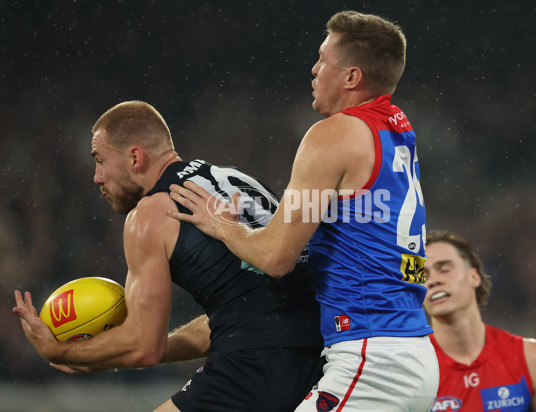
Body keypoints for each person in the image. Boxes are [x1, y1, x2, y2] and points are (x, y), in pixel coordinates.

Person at [168, 10, 438, 411]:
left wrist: (223, 225)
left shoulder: (333, 134)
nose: (314, 69)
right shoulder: (397, 129)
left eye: (324, 59)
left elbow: (276, 258)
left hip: (371, 358)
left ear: (351, 77)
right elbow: (346, 216)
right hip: (413, 352)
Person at [13, 100, 324, 412]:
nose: (96, 177)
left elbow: (143, 347)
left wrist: (58, 352)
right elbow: (244, 310)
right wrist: (108, 353)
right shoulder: (234, 179)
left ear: (135, 157)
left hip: (253, 367)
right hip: (317, 361)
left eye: (100, 160)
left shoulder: (149, 215)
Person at [423, 230, 536, 411]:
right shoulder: (413, 369)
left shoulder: (530, 358)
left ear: (474, 277)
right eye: (423, 276)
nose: (433, 281)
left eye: (445, 269)